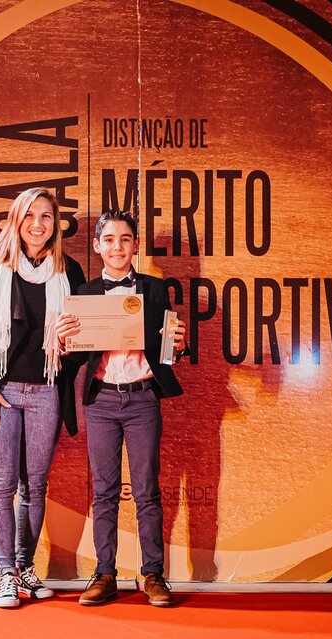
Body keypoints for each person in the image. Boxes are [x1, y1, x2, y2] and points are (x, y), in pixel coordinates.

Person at [0, 187, 85, 609]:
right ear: (15, 219)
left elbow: (83, 343)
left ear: (56, 224)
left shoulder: (69, 271)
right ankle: (5, 575)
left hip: (47, 390)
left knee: (35, 486)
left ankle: (25, 566)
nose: (38, 224)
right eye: (29, 215)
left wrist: (69, 345)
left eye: (46, 216)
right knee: (0, 486)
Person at [60, 209, 187, 607]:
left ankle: (152, 574)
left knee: (147, 491)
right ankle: (105, 574)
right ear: (97, 246)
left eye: (125, 239)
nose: (117, 247)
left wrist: (178, 345)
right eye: (110, 240)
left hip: (143, 398)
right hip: (101, 400)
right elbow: (76, 357)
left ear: (135, 246)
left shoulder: (154, 289)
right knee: (104, 491)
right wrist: (64, 343)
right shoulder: (84, 294)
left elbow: (166, 352)